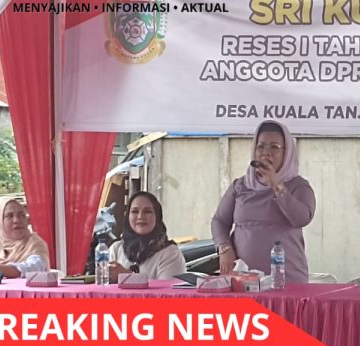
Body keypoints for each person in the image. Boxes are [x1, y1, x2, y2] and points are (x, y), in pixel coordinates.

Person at [211, 119, 316, 284]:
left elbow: (301, 218)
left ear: (287, 152)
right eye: (261, 147)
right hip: (243, 279)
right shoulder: (241, 185)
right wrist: (224, 248)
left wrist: (276, 185)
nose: (266, 153)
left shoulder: (298, 186)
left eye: (274, 147)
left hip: (286, 280)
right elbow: (219, 220)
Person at [108, 191, 186, 281]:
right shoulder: (116, 249)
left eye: (147, 211)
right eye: (135, 211)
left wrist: (127, 276)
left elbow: (167, 289)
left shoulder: (170, 253)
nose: (140, 216)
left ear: (157, 216)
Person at [0, 198, 49, 279]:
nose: (16, 220)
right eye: (9, 216)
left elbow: (34, 267)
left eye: (21, 215)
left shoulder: (35, 244)